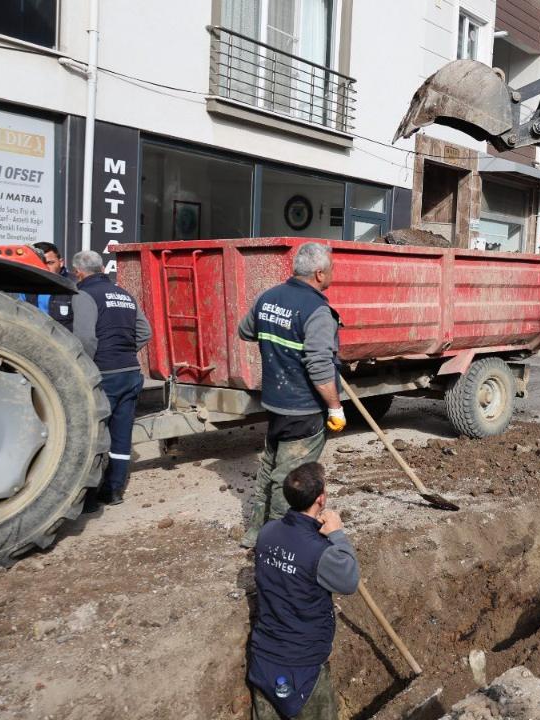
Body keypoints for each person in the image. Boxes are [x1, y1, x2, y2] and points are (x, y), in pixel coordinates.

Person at [238, 242, 345, 549]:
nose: (332, 274)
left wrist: (281, 339)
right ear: (320, 273)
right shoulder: (318, 310)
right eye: (332, 269)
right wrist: (335, 408)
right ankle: (277, 544)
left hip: (275, 403)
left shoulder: (268, 298)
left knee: (270, 467)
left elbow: (246, 331)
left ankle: (255, 531)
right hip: (303, 409)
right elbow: (319, 365)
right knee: (293, 478)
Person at [248, 462, 359, 720]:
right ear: (321, 499)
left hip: (264, 659)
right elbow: (349, 581)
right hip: (303, 668)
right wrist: (338, 535)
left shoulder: (267, 533)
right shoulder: (320, 551)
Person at [70, 250, 151, 510]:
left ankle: (90, 499)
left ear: (78, 272)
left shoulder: (84, 294)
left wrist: (88, 367)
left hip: (103, 375)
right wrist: (124, 353)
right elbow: (145, 332)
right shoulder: (125, 295)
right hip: (130, 373)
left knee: (95, 435)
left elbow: (85, 339)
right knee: (121, 435)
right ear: (102, 268)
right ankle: (114, 490)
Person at [17, 242, 74, 330]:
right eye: (40, 263)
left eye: (50, 263)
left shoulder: (75, 286)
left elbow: (83, 328)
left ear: (61, 262)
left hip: (65, 342)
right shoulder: (26, 287)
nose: (45, 268)